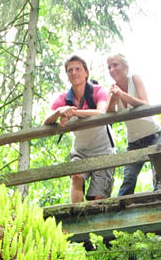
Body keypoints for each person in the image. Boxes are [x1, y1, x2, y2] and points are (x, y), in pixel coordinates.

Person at [45, 54, 114, 204]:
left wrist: (73, 112)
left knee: (96, 198)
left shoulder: (97, 91)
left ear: (86, 73)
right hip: (80, 150)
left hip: (103, 150)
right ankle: (75, 214)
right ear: (67, 76)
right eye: (70, 70)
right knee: (76, 176)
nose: (74, 73)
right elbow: (46, 121)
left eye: (78, 69)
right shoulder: (64, 98)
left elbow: (101, 112)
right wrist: (59, 112)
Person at [105, 52, 161, 197]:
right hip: (134, 141)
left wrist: (123, 95)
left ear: (125, 66)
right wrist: (113, 99)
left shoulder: (135, 79)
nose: (112, 70)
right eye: (109, 67)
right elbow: (109, 116)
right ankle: (120, 209)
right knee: (129, 179)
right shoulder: (112, 89)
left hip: (153, 135)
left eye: (115, 65)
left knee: (160, 175)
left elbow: (144, 103)